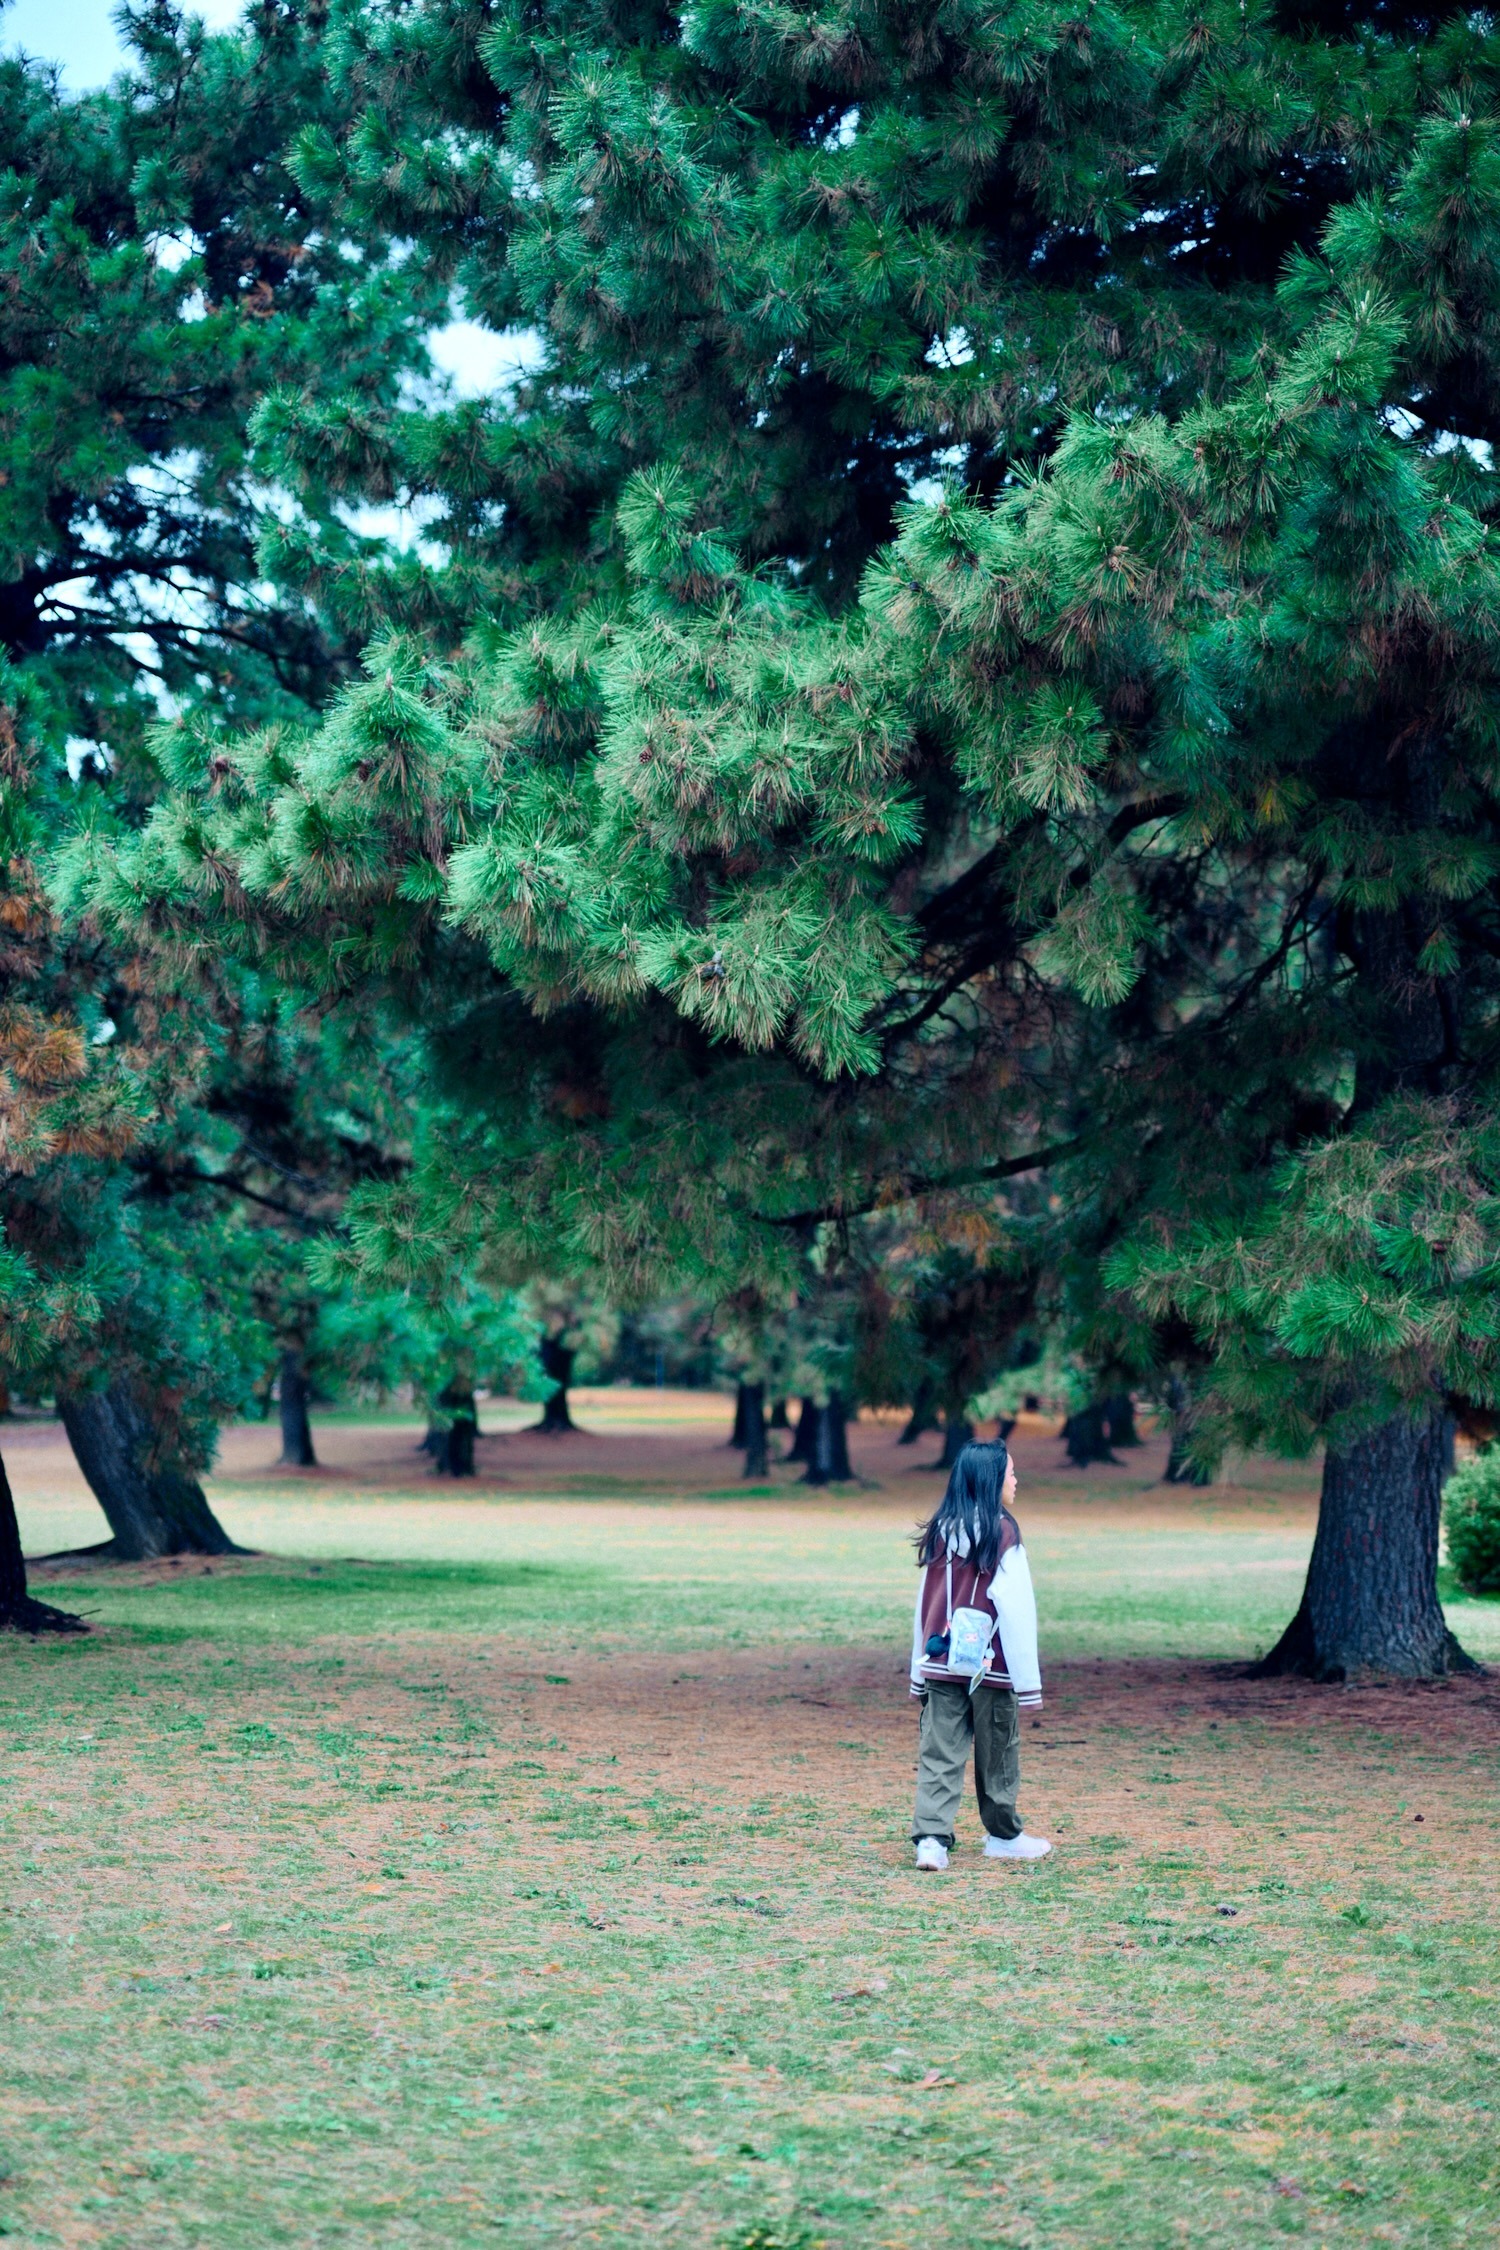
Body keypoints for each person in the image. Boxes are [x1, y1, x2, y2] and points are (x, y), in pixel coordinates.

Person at [909, 1437, 1051, 1871]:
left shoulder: (940, 1530)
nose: (1015, 1480)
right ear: (991, 1481)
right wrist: (1027, 1682)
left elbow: (925, 1603)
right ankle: (1003, 1836)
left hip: (939, 1658)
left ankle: (931, 1839)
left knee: (939, 1751)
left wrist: (917, 1669)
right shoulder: (1005, 1533)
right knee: (998, 1754)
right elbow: (1017, 1608)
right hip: (993, 1665)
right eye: (1010, 1472)